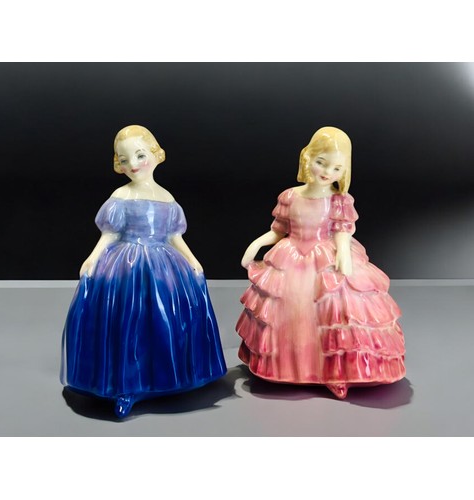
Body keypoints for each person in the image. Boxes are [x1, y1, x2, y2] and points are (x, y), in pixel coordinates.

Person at [61, 125, 226, 417]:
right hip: (126, 263)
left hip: (163, 265)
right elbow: (110, 234)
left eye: (140, 155)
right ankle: (126, 383)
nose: (133, 165)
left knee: (165, 318)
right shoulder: (121, 195)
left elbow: (174, 236)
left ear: (155, 154)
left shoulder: (167, 198)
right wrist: (93, 257)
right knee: (128, 319)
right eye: (125, 159)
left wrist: (192, 259)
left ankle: (167, 375)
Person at [236, 126, 405, 399]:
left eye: (337, 168)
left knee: (334, 313)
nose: (327, 172)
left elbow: (341, 232)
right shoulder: (290, 196)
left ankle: (335, 371)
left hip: (325, 257)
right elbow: (279, 230)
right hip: (291, 255)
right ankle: (287, 367)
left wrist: (344, 255)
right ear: (307, 158)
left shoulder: (339, 201)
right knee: (287, 311)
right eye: (321, 162)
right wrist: (256, 244)